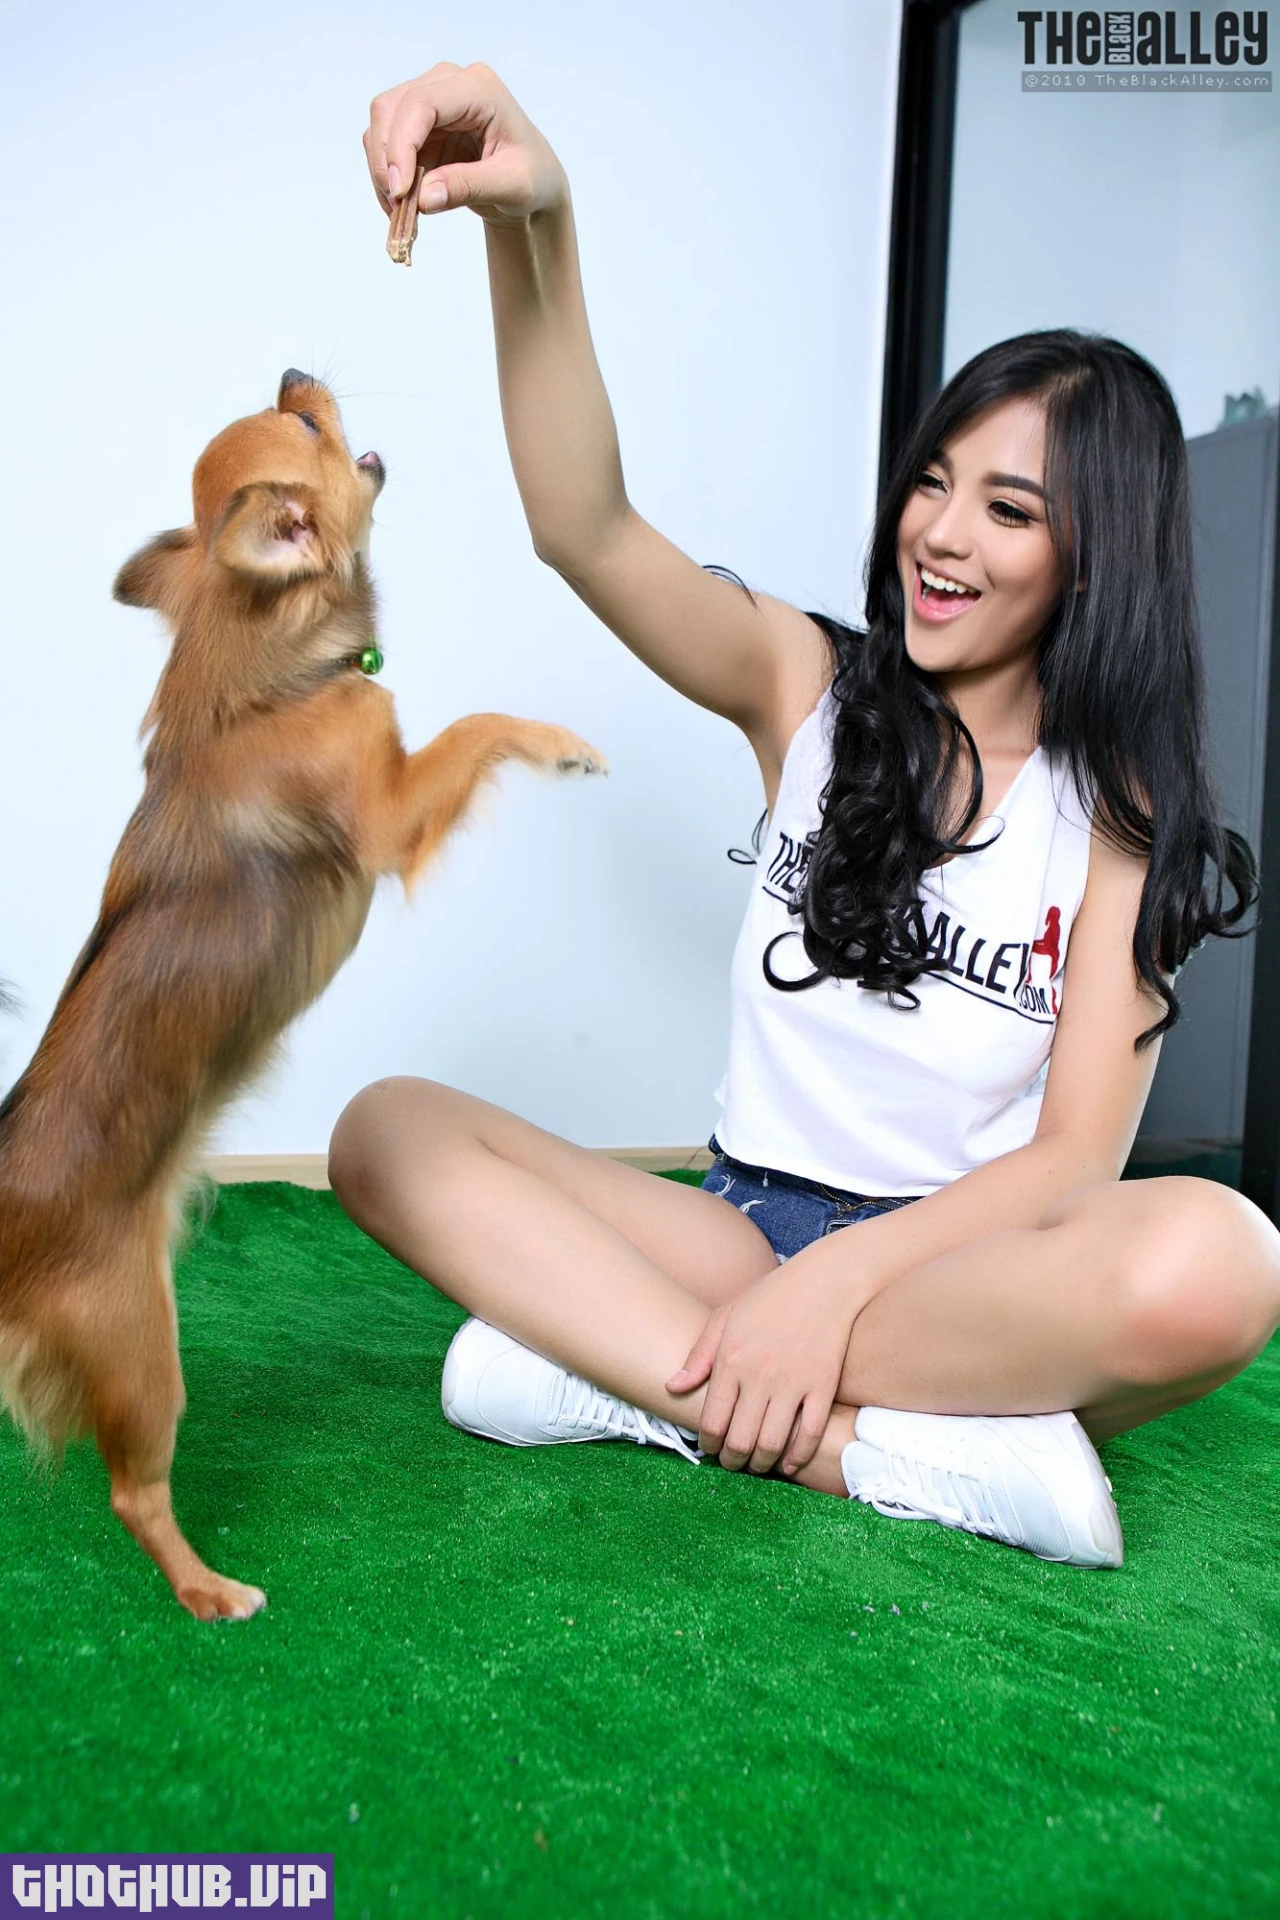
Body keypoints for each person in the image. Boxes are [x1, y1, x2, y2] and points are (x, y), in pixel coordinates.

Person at [329, 61, 1280, 1568]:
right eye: (934, 483)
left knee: (1228, 1259)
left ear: (1094, 562)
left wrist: (833, 1291)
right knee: (387, 1131)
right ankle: (875, 1451)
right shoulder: (805, 684)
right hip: (730, 1229)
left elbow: (1067, 1169)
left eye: (1009, 511)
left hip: (948, 1273)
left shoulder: (1120, 810)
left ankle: (618, 1371)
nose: (940, 535)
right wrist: (537, 219)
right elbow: (584, 526)